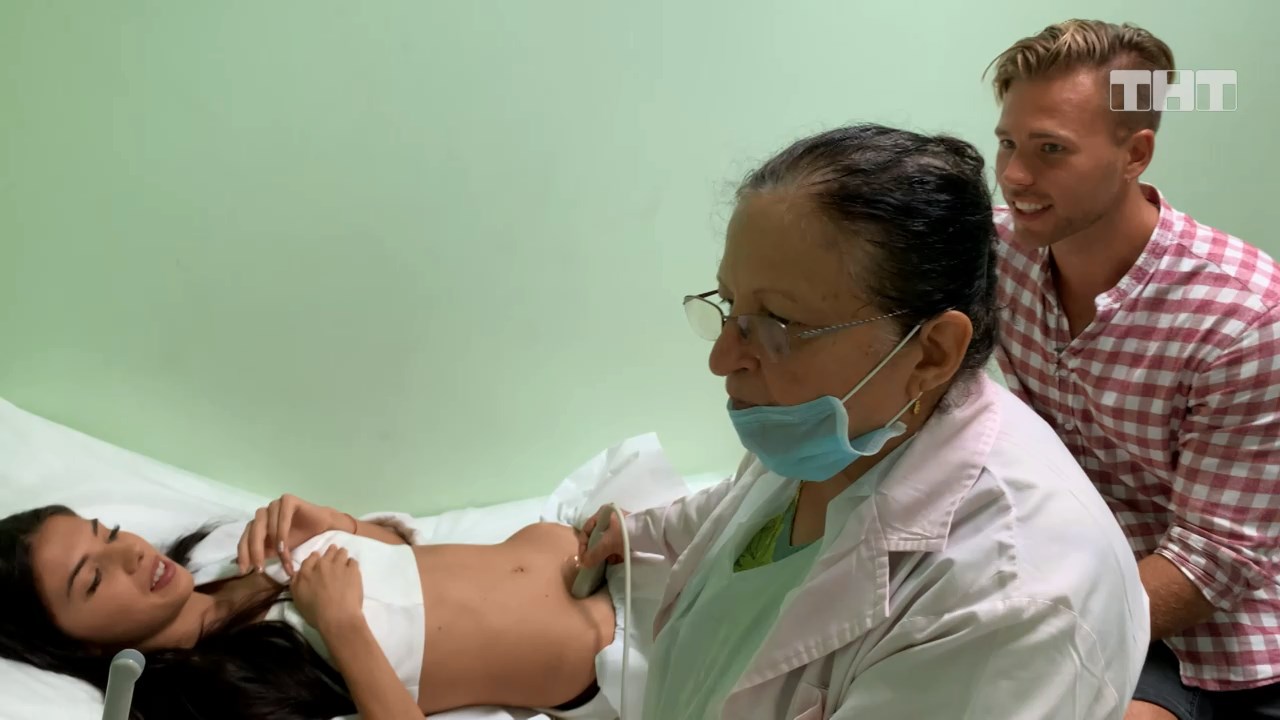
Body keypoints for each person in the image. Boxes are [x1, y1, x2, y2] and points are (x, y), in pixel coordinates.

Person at [579, 123, 1150, 719]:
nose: (722, 359)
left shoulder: (1008, 602)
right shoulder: (846, 430)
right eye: (729, 306)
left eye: (776, 324)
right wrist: (643, 531)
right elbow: (744, 506)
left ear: (931, 352)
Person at [984, 18, 1280, 720]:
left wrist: (1021, 633)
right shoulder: (999, 255)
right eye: (1008, 143)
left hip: (1218, 632)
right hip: (1080, 580)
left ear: (1135, 154)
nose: (1016, 175)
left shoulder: (1245, 316)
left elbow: (1212, 562)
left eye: (1051, 149)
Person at [0, 494, 617, 720]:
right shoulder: (224, 698)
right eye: (93, 580)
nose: (132, 554)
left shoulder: (227, 557)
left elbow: (408, 562)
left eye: (108, 533)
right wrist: (342, 627)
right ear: (80, 647)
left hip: (604, 551)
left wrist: (336, 523)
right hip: (620, 646)